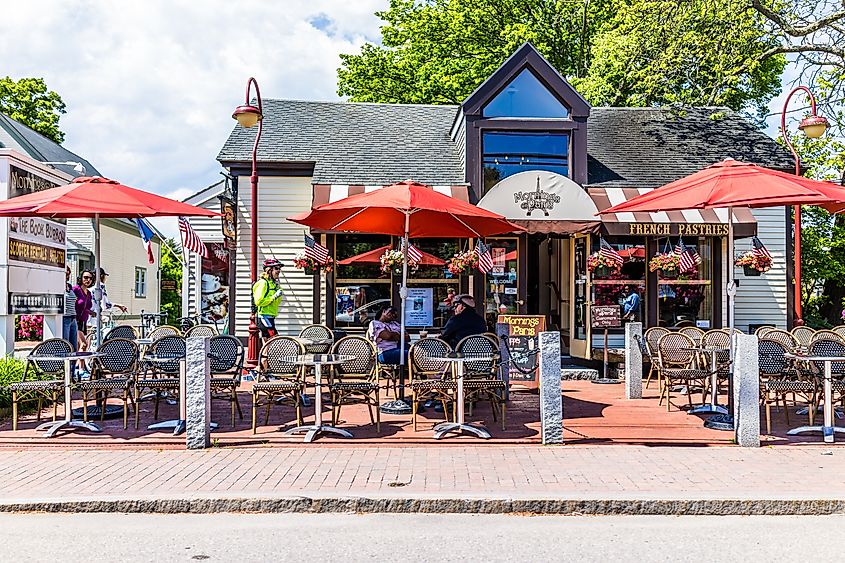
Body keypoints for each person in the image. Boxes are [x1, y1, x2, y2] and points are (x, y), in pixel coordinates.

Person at [252, 259, 284, 341]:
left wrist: (277, 291)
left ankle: (265, 354)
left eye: (279, 268)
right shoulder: (263, 283)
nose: (279, 271)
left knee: (267, 341)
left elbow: (277, 301)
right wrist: (274, 297)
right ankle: (267, 353)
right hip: (264, 316)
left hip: (270, 315)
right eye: (276, 268)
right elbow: (259, 301)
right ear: (269, 270)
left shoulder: (273, 283)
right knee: (273, 339)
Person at [73, 270, 95, 377]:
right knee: (83, 344)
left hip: (84, 321)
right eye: (85, 277)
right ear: (81, 278)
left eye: (90, 278)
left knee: (79, 346)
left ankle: (77, 367)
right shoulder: (76, 289)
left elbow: (86, 307)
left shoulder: (89, 293)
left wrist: (92, 312)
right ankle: (81, 369)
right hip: (75, 320)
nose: (88, 280)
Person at [62, 265, 78, 353]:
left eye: (68, 273)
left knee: (74, 346)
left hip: (73, 318)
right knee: (66, 345)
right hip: (65, 318)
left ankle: (72, 366)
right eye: (65, 273)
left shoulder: (70, 286)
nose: (67, 275)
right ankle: (65, 366)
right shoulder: (59, 287)